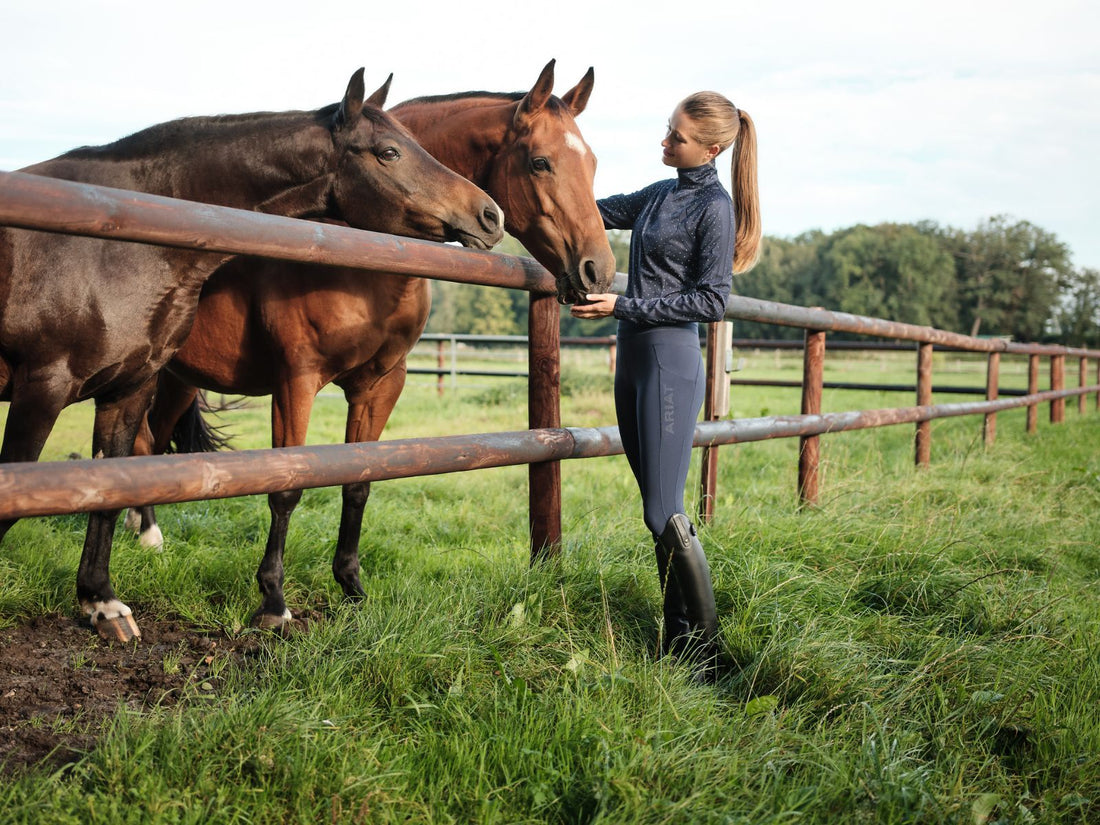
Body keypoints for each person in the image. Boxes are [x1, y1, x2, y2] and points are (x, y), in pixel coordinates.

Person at [571, 91, 760, 678]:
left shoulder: (714, 207)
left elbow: (711, 299)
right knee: (660, 506)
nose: (664, 142)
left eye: (675, 136)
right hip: (633, 356)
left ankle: (704, 652)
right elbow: (591, 210)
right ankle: (678, 641)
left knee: (661, 510)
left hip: (669, 359)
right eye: (667, 131)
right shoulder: (659, 194)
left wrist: (624, 303)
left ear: (713, 147)